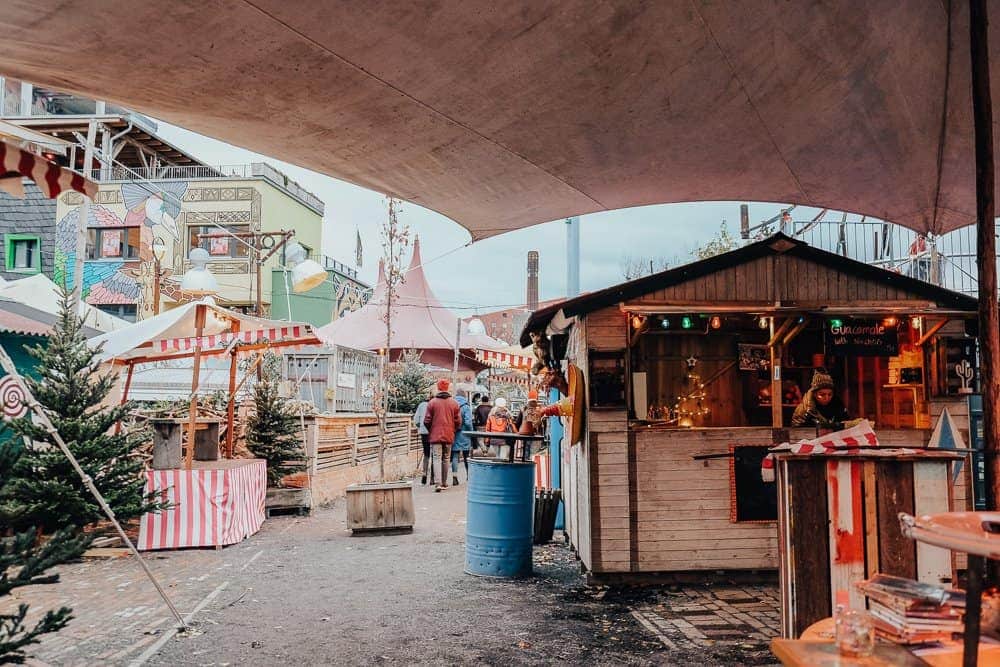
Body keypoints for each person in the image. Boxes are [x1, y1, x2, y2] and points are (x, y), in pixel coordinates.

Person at [424, 378, 461, 492]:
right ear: (448, 388)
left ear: (438, 388)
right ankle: (444, 483)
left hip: (435, 435)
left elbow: (426, 420)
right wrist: (453, 429)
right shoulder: (454, 403)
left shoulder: (432, 402)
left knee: (436, 458)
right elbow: (458, 421)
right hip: (449, 434)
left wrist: (432, 430)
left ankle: (437, 483)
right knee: (446, 458)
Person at [451, 388, 474, 485]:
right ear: (464, 396)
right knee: (466, 456)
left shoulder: (452, 405)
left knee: (455, 456)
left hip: (455, 433)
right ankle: (469, 476)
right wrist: (471, 432)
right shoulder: (466, 406)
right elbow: (468, 422)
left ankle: (455, 476)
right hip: (465, 434)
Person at [413, 391, 434, 485]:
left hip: (424, 432)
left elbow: (416, 419)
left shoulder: (421, 405)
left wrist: (420, 426)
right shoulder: (434, 404)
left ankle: (424, 474)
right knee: (434, 455)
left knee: (426, 454)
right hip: (433, 432)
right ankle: (433, 477)